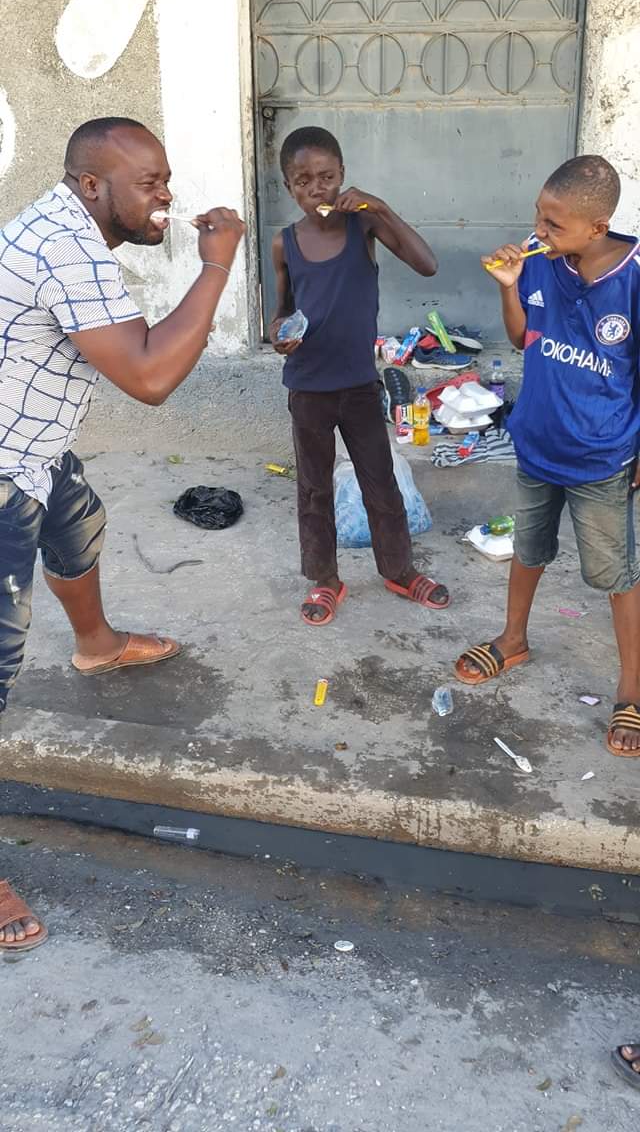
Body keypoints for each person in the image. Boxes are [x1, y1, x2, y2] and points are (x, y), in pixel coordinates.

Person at [0, 116, 245, 949]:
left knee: (79, 524)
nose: (167, 197)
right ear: (93, 186)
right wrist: (215, 268)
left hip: (32, 447)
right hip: (1, 465)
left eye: (166, 180)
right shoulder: (64, 246)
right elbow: (148, 375)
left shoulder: (66, 226)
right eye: (151, 183)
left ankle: (97, 643)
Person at [453, 155, 640, 757]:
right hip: (537, 443)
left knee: (614, 573)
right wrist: (509, 289)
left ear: (598, 225)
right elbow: (520, 337)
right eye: (539, 215)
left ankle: (632, 692)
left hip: (601, 456)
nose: (539, 229)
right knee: (528, 548)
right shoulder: (542, 260)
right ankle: (513, 640)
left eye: (555, 223)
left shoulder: (634, 280)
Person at [269, 125, 450, 626]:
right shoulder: (285, 244)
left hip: (357, 384)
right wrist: (279, 333)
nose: (316, 190)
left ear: (343, 176)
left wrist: (378, 207)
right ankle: (325, 581)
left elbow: (427, 264)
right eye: (303, 181)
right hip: (307, 385)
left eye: (326, 177)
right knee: (313, 488)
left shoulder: (362, 229)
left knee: (381, 480)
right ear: (289, 187)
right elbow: (280, 312)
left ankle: (399, 570)